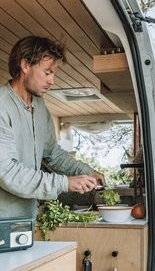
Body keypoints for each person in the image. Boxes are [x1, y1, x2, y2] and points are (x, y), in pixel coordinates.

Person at [0, 36, 105, 220]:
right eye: (47, 72)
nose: (52, 81)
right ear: (25, 65)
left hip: (28, 219)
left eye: (53, 74)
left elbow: (53, 154)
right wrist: (64, 183)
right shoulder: (2, 106)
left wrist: (87, 172)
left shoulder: (40, 107)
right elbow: (8, 172)